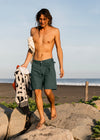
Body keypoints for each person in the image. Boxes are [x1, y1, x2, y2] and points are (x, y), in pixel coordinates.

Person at [21, 8, 64, 129]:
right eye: (40, 19)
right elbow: (31, 49)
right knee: (37, 92)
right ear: (37, 19)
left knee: (48, 91)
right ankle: (42, 118)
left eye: (44, 19)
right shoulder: (33, 31)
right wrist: (25, 64)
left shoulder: (55, 31)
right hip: (35, 64)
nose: (42, 21)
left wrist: (61, 66)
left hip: (48, 64)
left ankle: (53, 106)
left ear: (48, 19)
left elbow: (59, 49)